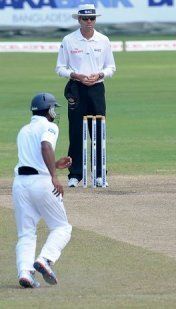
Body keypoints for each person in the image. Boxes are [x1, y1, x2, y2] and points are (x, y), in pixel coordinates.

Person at [12, 93, 73, 288]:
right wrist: (54, 176)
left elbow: (32, 161)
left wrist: (54, 166)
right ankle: (45, 260)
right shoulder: (49, 126)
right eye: (54, 108)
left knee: (26, 233)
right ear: (49, 110)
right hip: (41, 183)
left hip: (20, 184)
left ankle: (25, 273)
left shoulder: (24, 130)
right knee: (62, 228)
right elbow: (45, 145)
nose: (55, 112)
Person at [56, 3, 116, 187]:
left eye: (92, 18)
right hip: (76, 88)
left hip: (97, 89)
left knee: (97, 131)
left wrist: (100, 75)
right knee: (76, 131)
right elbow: (60, 68)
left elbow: (111, 67)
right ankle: (75, 175)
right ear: (79, 20)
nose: (89, 22)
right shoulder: (68, 40)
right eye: (85, 18)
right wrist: (75, 75)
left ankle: (99, 174)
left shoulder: (103, 40)